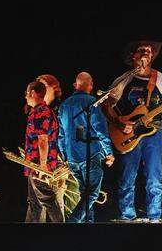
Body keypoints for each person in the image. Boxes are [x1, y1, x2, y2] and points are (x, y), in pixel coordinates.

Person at [107, 40, 162, 222]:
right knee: (127, 177)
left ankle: (154, 217)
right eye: (142, 50)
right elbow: (107, 106)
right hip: (129, 134)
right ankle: (127, 217)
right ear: (133, 56)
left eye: (149, 51)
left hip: (154, 133)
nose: (146, 53)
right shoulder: (124, 79)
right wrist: (118, 123)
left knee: (154, 177)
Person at [57, 72, 115, 223]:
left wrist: (64, 156)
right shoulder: (92, 102)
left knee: (85, 195)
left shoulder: (64, 105)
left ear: (76, 85)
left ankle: (88, 227)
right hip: (90, 155)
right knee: (93, 195)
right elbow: (100, 129)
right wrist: (109, 153)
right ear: (91, 85)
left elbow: (61, 135)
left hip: (72, 157)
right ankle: (73, 222)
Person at [24, 79, 64, 223]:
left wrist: (42, 164)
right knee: (34, 203)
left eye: (26, 93)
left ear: (33, 93)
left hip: (39, 164)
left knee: (47, 199)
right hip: (35, 163)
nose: (25, 97)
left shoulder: (40, 112)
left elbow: (43, 139)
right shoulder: (40, 111)